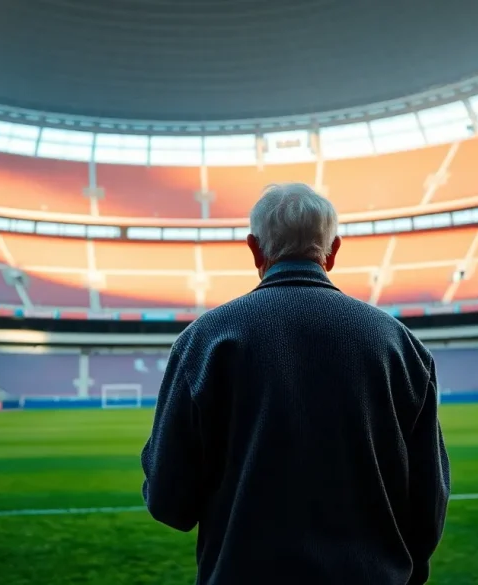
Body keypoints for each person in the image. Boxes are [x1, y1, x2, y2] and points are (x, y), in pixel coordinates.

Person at [141, 183, 449, 584]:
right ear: (333, 251)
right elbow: (428, 505)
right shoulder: (402, 346)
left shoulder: (205, 340)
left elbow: (170, 503)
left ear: (254, 249)